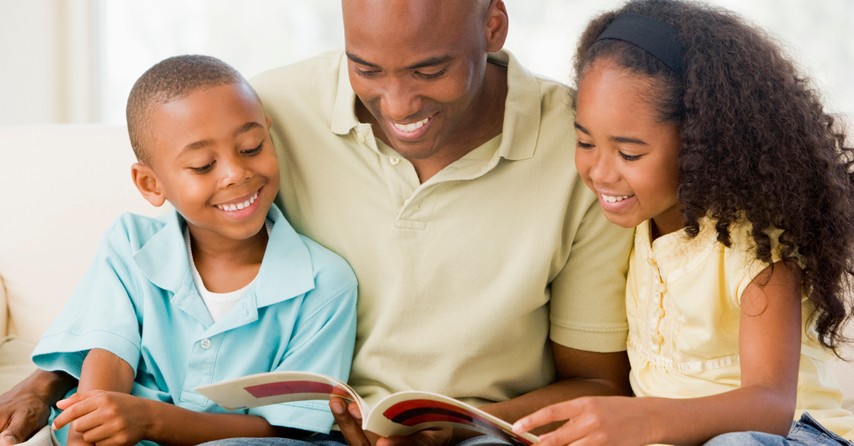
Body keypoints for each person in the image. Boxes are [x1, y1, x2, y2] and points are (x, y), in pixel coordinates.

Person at [0, 1, 635, 445]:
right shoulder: (265, 114)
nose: (398, 105)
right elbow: (142, 282)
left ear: (493, 23)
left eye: (430, 70)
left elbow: (596, 383)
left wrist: (461, 426)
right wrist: (51, 379)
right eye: (366, 68)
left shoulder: (583, 149)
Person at [511, 0, 854, 444]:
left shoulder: (758, 247)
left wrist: (640, 420)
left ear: (701, 143)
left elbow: (770, 405)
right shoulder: (631, 224)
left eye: (629, 154)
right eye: (584, 141)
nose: (600, 172)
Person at [26, 55, 358, 446]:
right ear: (151, 184)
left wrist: (152, 420)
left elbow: (285, 428)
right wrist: (90, 430)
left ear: (269, 135)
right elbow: (107, 366)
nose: (236, 173)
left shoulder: (325, 285)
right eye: (203, 165)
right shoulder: (131, 244)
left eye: (251, 147)